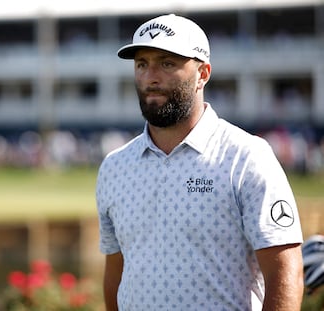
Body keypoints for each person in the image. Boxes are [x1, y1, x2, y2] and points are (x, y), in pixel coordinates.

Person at [96, 14, 304, 311]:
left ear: (203, 74)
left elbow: (285, 272)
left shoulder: (246, 157)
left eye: (167, 63)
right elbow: (116, 273)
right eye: (142, 64)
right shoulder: (114, 167)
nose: (151, 77)